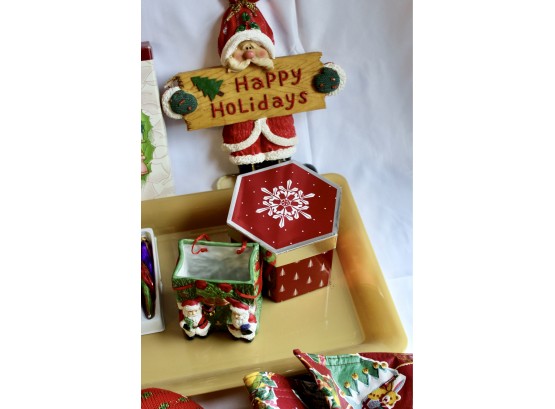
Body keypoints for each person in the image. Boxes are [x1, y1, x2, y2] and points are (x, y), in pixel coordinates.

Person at [162, 0, 345, 177]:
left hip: (278, 126)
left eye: (256, 47)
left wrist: (326, 78)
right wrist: (182, 101)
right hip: (241, 132)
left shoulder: (281, 76)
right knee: (247, 161)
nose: (250, 54)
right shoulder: (220, 82)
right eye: (241, 48)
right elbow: (201, 99)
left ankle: (285, 176)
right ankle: (251, 182)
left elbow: (304, 81)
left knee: (281, 154)